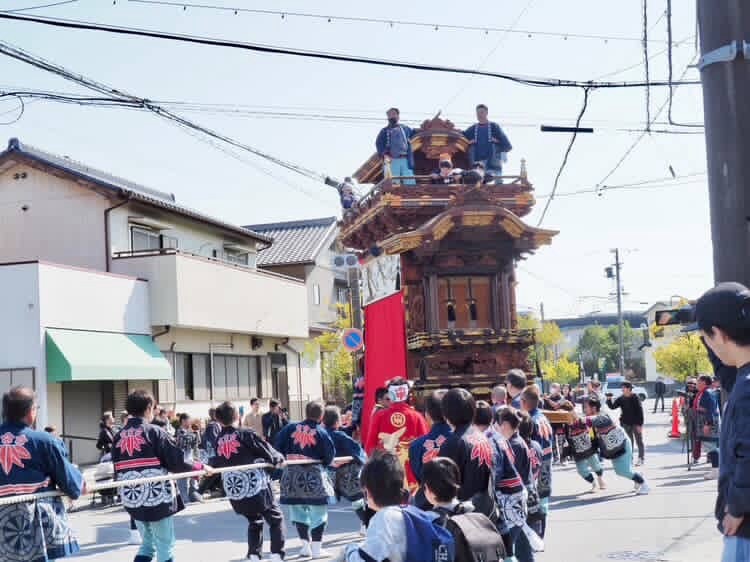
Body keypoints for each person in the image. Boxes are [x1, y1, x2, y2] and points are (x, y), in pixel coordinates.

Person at [112, 389, 207, 562]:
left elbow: (117, 468)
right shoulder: (154, 431)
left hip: (133, 497)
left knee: (147, 545)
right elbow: (176, 461)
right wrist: (199, 467)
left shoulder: (118, 437)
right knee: (165, 545)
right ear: (149, 408)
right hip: (156, 497)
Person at [691, 282, 750, 558]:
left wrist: (736, 509)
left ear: (719, 333)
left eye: (707, 337)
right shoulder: (741, 378)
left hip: (745, 527)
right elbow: (726, 371)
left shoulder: (746, 389)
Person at [0, 386, 84, 562]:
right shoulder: (44, 441)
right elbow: (71, 484)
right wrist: (80, 484)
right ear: (31, 412)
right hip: (36, 526)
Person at [210, 401, 285, 562]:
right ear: (237, 415)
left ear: (219, 420)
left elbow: (216, 462)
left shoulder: (219, 440)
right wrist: (278, 459)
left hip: (236, 489)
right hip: (255, 487)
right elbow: (268, 452)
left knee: (254, 520)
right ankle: (276, 554)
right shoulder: (245, 433)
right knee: (275, 519)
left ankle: (254, 555)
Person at [275, 400, 335, 559]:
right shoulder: (321, 432)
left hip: (291, 475)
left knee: (298, 512)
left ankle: (305, 547)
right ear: (321, 416)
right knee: (318, 513)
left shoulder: (289, 428)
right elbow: (329, 456)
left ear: (306, 412)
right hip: (313, 477)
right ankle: (316, 550)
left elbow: (277, 448)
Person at [365, 377, 428, 493]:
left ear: (390, 394)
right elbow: (426, 448)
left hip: (386, 475)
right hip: (413, 479)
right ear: (407, 394)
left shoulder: (379, 416)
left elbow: (370, 447)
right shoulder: (417, 417)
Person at [438, 388, 494, 517]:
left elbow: (444, 485)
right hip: (485, 508)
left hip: (465, 515)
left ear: (446, 413)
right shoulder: (482, 436)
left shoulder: (454, 442)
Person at [343, 452, 408, 562]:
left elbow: (364, 560)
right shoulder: (409, 512)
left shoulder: (383, 519)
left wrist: (350, 549)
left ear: (368, 491)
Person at [583, 397, 650, 494]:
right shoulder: (592, 422)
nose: (584, 409)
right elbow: (593, 438)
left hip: (622, 445)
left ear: (593, 408)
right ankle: (637, 476)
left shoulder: (603, 416)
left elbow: (594, 419)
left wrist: (581, 419)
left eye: (586, 407)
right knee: (620, 471)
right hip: (614, 449)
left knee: (623, 470)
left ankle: (644, 484)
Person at [322, 406, 368, 530]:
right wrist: (363, 461)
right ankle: (366, 524)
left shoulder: (320, 435)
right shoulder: (340, 436)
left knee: (319, 505)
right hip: (346, 472)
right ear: (338, 422)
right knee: (357, 500)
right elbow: (358, 451)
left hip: (327, 473)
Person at [409, 389, 452, 509]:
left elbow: (418, 477)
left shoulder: (416, 445)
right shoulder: (462, 440)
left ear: (427, 414)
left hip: (426, 504)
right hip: (459, 503)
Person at [520, 386, 553, 538]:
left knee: (537, 503)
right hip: (547, 460)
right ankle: (540, 536)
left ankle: (538, 536)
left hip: (537, 464)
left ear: (525, 402)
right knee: (543, 500)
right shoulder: (542, 417)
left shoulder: (531, 421)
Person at [463, 104, 512, 176]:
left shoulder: (494, 126)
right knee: (477, 179)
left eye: (481, 112)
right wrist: (468, 142)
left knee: (494, 179)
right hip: (477, 163)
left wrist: (498, 142)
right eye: (477, 113)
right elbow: (462, 136)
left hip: (493, 164)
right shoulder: (473, 129)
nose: (479, 115)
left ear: (486, 113)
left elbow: (507, 144)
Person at [606, 382, 646, 466]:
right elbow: (613, 407)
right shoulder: (621, 398)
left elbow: (640, 411)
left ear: (629, 389)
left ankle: (641, 458)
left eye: (623, 388)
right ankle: (629, 459)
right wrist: (609, 399)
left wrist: (640, 424)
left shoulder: (635, 397)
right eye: (622, 388)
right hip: (625, 423)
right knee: (629, 442)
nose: (622, 389)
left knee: (639, 441)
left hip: (635, 423)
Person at [375, 107, 415, 185]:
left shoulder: (405, 128)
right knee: (394, 183)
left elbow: (414, 133)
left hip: (406, 159)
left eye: (393, 114)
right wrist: (385, 154)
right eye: (389, 115)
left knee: (410, 182)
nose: (391, 116)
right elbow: (378, 144)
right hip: (392, 160)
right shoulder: (384, 131)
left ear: (398, 116)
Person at [567, 415, 606, 493]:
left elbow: (594, 421)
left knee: (596, 465)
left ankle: (600, 479)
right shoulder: (565, 425)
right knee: (581, 470)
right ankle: (594, 484)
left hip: (589, 447)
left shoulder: (582, 420)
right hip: (576, 451)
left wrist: (595, 438)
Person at [543, 383, 574, 465]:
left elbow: (556, 406)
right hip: (550, 424)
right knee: (552, 441)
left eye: (555, 387)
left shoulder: (562, 398)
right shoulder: (546, 398)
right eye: (552, 387)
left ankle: (563, 458)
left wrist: (548, 399)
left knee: (561, 442)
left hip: (560, 424)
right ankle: (555, 458)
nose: (553, 389)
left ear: (559, 389)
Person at [175, 413, 202, 504]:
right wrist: (192, 434)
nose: (190, 422)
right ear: (183, 421)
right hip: (182, 460)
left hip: (191, 459)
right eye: (188, 420)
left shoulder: (190, 431)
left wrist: (197, 432)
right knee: (183, 482)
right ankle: (184, 500)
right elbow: (183, 442)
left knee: (193, 481)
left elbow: (197, 443)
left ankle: (194, 497)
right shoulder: (179, 431)